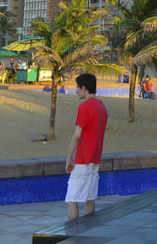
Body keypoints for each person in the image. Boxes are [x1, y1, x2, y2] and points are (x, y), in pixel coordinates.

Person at [65, 72, 108, 221]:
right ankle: (89, 234)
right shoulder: (102, 107)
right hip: (95, 158)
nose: (76, 90)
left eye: (77, 87)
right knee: (90, 199)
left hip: (83, 158)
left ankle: (74, 236)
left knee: (71, 199)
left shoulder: (85, 107)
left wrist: (69, 159)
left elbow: (77, 135)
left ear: (84, 88)